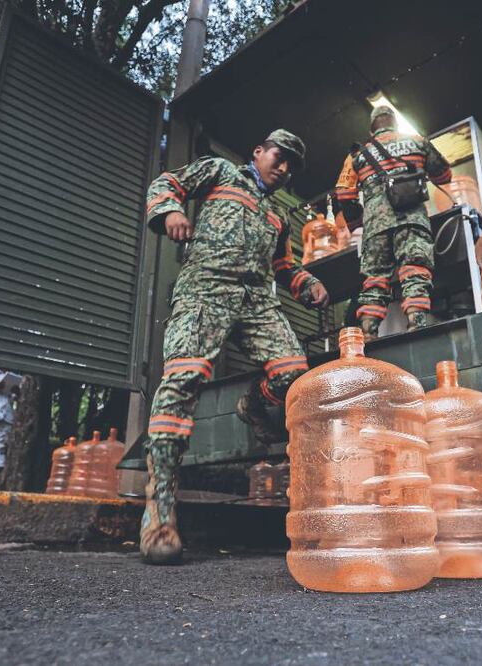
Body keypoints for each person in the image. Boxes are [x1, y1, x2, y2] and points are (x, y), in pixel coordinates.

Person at [141, 129, 329, 565]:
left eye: (289, 167)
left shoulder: (278, 215)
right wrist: (170, 212)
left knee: (292, 375)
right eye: (278, 158)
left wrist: (307, 282)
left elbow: (281, 263)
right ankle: (160, 508)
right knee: (182, 381)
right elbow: (165, 184)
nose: (282, 170)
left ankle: (255, 407)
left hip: (257, 302)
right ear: (258, 151)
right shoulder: (220, 171)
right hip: (206, 290)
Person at [334, 105, 452, 340]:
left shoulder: (357, 155)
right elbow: (445, 175)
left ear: (372, 130)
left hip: (376, 226)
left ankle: (368, 331)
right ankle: (416, 323)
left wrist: (357, 223)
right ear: (395, 124)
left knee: (375, 277)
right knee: (414, 268)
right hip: (412, 220)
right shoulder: (417, 141)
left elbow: (344, 194)